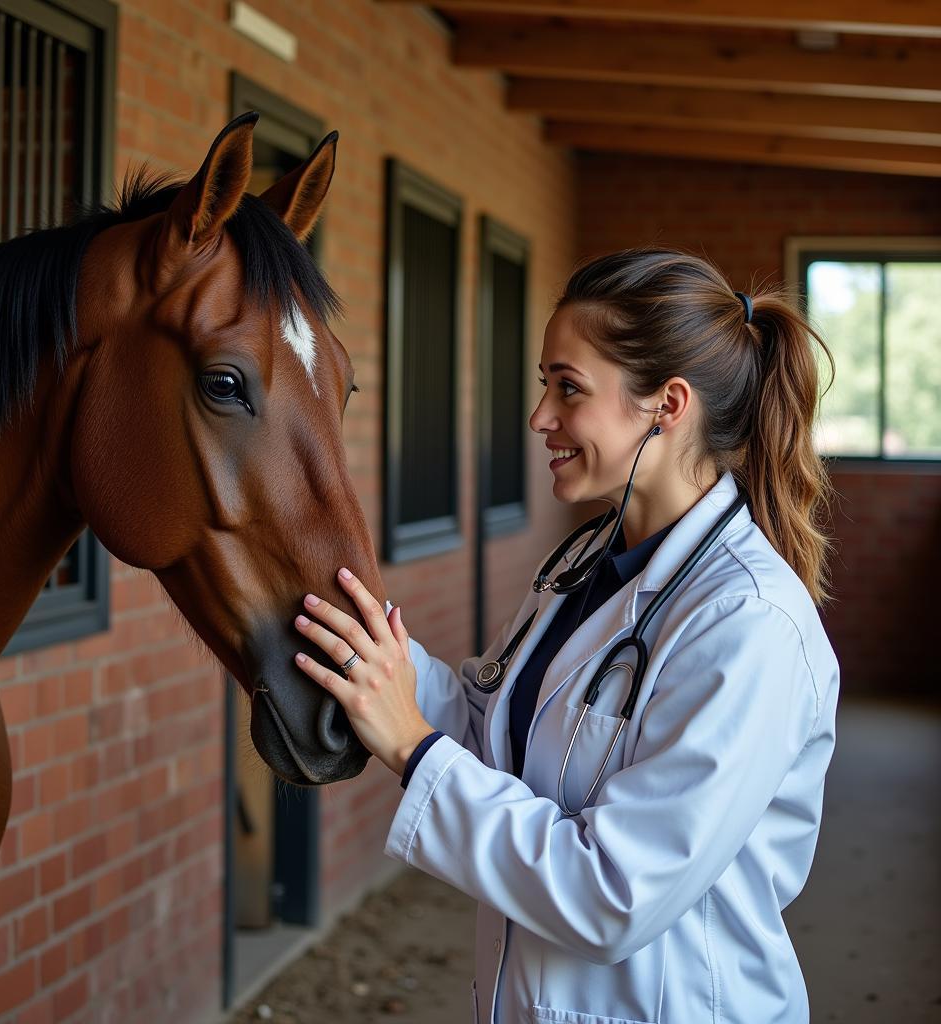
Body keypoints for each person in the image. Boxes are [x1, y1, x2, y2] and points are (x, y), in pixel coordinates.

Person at [292, 247, 840, 1024]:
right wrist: (372, 652)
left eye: (568, 388)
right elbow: (498, 738)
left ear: (666, 405)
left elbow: (614, 895)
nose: (540, 417)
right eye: (545, 384)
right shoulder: (584, 563)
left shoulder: (750, 625)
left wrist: (412, 747)